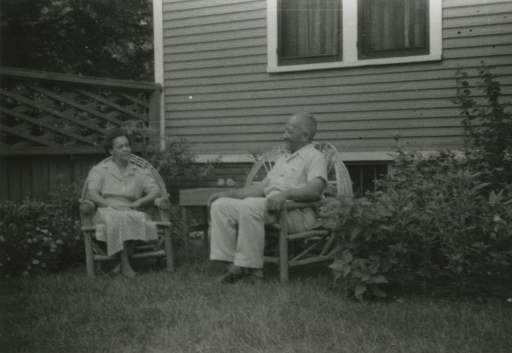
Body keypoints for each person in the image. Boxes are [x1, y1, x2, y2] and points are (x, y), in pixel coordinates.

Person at [208, 112, 328, 283]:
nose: (283, 136)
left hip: (297, 214)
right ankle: (232, 267)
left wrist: (286, 194)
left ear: (305, 136)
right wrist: (229, 194)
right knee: (221, 206)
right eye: (284, 131)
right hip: (270, 208)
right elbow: (261, 188)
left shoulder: (315, 157)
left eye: (289, 131)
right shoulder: (284, 159)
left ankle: (252, 271)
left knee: (250, 205)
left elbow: (315, 191)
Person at [85, 129, 160, 277]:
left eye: (127, 145)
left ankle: (118, 264)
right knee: (119, 218)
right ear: (111, 151)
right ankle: (126, 265)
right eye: (120, 147)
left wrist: (140, 201)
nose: (126, 149)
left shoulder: (139, 171)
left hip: (130, 208)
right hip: (107, 209)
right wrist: (110, 205)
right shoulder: (101, 170)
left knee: (136, 218)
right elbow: (91, 193)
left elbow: (155, 190)